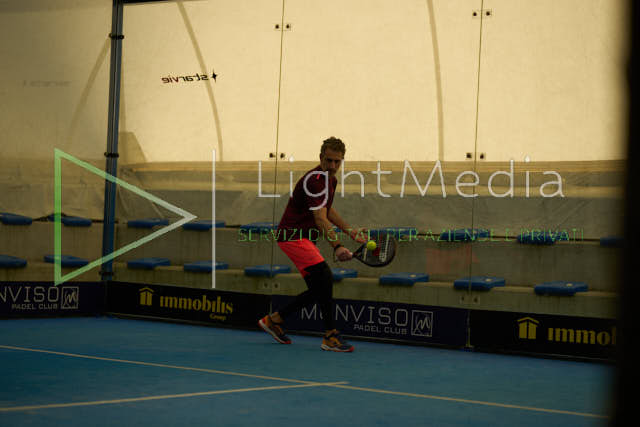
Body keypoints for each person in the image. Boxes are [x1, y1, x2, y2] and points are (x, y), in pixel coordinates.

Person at [258, 137, 365, 352]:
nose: (333, 165)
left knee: (319, 288)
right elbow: (319, 218)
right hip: (293, 236)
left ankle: (274, 320)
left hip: (303, 239)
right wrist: (337, 246)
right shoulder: (315, 180)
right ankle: (330, 336)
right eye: (329, 160)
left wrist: (351, 232)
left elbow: (328, 210)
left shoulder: (330, 181)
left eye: (337, 161)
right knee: (325, 278)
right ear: (321, 158)